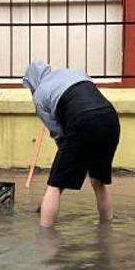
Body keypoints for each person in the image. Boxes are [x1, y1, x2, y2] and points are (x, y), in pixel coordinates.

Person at [23, 61, 120, 227]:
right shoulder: (73, 73)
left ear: (33, 81)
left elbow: (59, 135)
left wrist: (63, 168)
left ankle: (45, 240)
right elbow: (89, 98)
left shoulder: (39, 95)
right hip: (110, 118)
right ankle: (106, 232)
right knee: (99, 182)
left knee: (55, 186)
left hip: (82, 121)